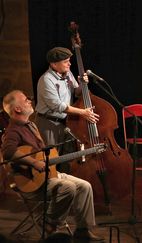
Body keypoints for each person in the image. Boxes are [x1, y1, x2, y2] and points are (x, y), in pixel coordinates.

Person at [1, 90, 104, 241]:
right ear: (17, 109)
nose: (29, 100)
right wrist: (34, 162)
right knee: (67, 187)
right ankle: (50, 223)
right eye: (25, 100)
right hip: (31, 183)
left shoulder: (30, 125)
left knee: (85, 186)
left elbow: (42, 156)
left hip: (48, 176)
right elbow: (8, 152)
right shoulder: (13, 130)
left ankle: (83, 230)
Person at [34, 47, 99, 161]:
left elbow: (77, 92)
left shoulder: (68, 73)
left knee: (65, 159)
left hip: (65, 122)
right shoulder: (46, 80)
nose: (69, 64)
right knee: (52, 159)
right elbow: (57, 106)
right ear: (54, 64)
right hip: (49, 123)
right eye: (65, 61)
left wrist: (82, 84)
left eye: (69, 60)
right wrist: (83, 112)